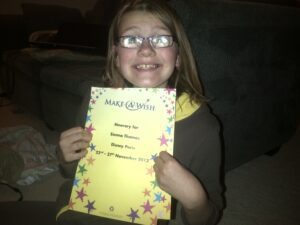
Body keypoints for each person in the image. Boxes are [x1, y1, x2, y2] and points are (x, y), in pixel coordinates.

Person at [55, 0, 224, 224]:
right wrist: (66, 157)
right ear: (116, 55)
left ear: (179, 57)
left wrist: (195, 199)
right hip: (73, 215)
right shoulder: (95, 104)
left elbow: (209, 217)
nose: (145, 49)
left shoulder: (202, 127)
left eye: (161, 39)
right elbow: (72, 173)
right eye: (131, 39)